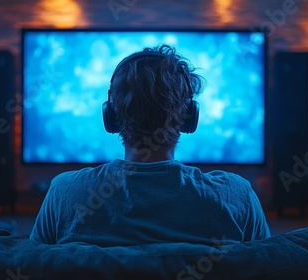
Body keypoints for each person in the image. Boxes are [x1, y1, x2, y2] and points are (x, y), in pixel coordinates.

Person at [30, 44, 270, 246]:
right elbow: (268, 268)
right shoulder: (236, 197)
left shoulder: (65, 194)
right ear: (189, 117)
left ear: (111, 116)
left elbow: (33, 265)